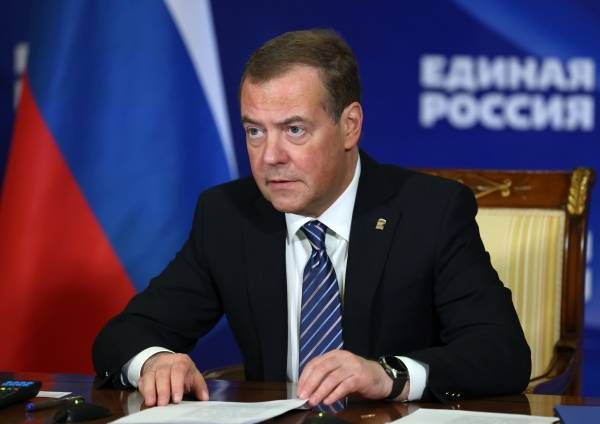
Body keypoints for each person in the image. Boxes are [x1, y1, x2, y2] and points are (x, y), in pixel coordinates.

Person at [93, 29, 531, 408]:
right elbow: (124, 335)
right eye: (255, 131)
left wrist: (389, 375)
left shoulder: (429, 212)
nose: (270, 157)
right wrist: (155, 361)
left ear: (350, 125)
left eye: (294, 130)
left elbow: (501, 353)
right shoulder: (229, 215)